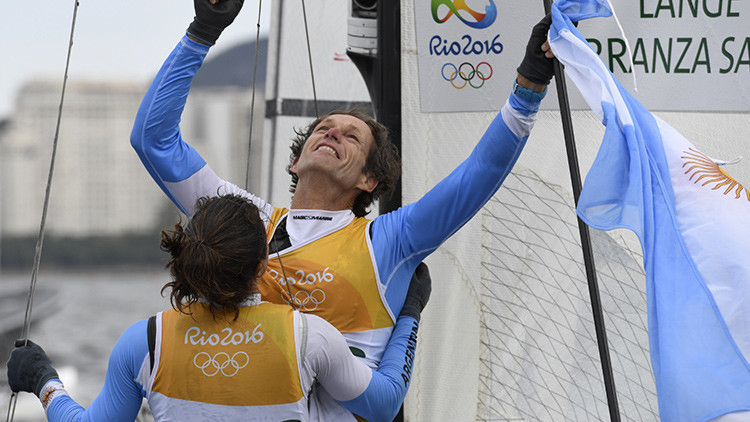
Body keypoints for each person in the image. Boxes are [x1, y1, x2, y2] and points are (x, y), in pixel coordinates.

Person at [130, 0, 555, 418]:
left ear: (369, 181)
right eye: (324, 128)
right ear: (296, 162)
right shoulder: (247, 220)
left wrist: (530, 82)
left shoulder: (389, 240)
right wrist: (202, 32)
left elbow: (479, 174)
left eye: (352, 138)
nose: (333, 133)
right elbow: (153, 141)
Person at [6, 194, 431, 422]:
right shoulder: (311, 336)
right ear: (262, 267)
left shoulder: (144, 340)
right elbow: (385, 404)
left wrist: (45, 382)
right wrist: (409, 313)